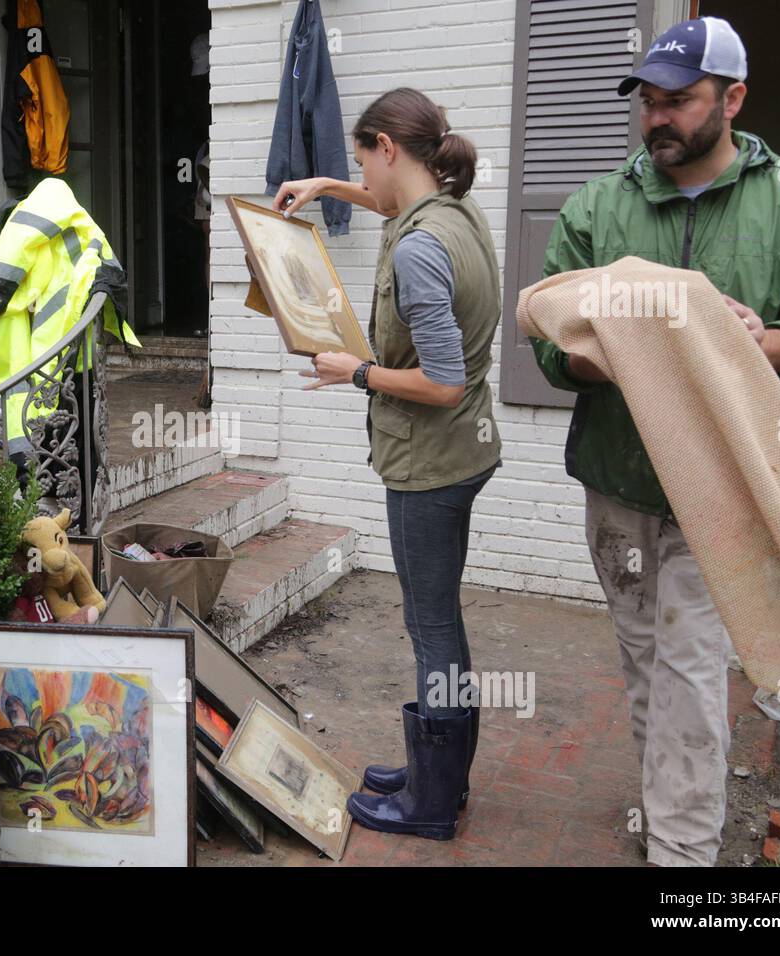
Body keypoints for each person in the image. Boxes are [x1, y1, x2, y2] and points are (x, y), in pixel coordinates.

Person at [531, 17, 780, 867]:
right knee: (644, 661)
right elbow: (553, 350)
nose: (657, 119)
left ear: (732, 99)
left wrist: (752, 339)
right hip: (617, 480)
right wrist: (612, 345)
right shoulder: (600, 203)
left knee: (694, 676)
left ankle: (684, 860)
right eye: (649, 103)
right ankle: (664, 805)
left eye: (679, 102)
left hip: (725, 493)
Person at [274, 87, 502, 840]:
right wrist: (327, 187)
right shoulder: (453, 212)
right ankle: (443, 775)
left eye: (361, 158)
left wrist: (355, 372)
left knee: (432, 629)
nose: (362, 177)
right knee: (442, 625)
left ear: (388, 149)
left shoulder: (418, 247)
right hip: (466, 452)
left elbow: (442, 381)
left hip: (428, 465)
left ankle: (432, 804)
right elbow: (388, 208)